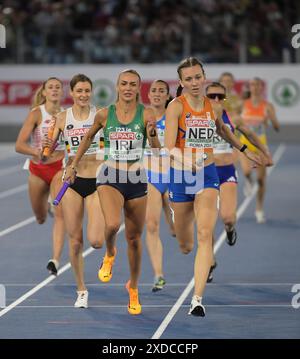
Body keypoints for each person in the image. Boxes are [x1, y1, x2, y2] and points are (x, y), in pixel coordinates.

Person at [164, 57, 262, 317]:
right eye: (189, 79)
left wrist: (244, 149)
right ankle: (178, 219)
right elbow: (169, 147)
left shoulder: (212, 107)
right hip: (181, 176)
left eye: (198, 77)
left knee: (206, 234)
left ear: (204, 77)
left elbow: (222, 131)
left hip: (207, 175)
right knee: (186, 244)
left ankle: (197, 299)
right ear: (182, 83)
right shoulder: (176, 107)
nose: (195, 83)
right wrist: (187, 160)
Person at [64, 69, 160, 315]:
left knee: (135, 239)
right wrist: (73, 165)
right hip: (110, 176)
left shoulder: (146, 113)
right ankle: (109, 253)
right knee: (112, 225)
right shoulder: (105, 114)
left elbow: (157, 150)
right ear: (117, 86)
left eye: (133, 84)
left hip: (137, 178)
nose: (128, 88)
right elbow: (86, 139)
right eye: (124, 84)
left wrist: (152, 135)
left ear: (139, 88)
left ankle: (134, 288)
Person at [206, 82, 273, 282]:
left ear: (224, 99)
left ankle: (230, 229)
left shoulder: (233, 118)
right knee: (205, 223)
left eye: (220, 96)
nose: (216, 100)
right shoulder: (196, 119)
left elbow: (251, 135)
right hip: (205, 174)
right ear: (205, 98)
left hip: (226, 172)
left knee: (227, 217)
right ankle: (209, 261)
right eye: (212, 96)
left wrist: (264, 153)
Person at [50, 74, 105, 308]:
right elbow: (49, 150)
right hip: (72, 182)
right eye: (79, 91)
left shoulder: (101, 115)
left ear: (91, 92)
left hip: (96, 182)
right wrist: (47, 143)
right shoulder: (62, 118)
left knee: (96, 241)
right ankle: (81, 289)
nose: (83, 95)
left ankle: (108, 254)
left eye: (87, 91)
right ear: (71, 93)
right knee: (75, 241)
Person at [15, 77, 65, 276]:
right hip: (38, 168)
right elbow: (19, 145)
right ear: (44, 92)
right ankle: (46, 209)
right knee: (40, 218)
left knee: (61, 214)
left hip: (59, 166)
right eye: (50, 87)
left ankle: (55, 260)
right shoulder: (37, 113)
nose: (54, 90)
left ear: (62, 92)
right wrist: (37, 151)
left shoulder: (66, 114)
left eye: (57, 87)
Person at [144, 80, 175, 292]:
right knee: (152, 225)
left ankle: (209, 258)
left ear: (167, 95)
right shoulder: (141, 116)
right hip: (150, 175)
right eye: (154, 90)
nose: (157, 94)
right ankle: (158, 274)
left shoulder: (174, 117)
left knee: (177, 231)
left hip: (174, 175)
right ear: (149, 95)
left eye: (161, 91)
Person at [239, 77, 280, 223]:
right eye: (252, 85)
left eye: (257, 85)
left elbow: (276, 127)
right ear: (249, 87)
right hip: (244, 145)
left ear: (261, 88)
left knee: (262, 181)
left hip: (260, 147)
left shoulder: (267, 106)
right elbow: (234, 122)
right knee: (246, 171)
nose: (255, 87)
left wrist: (270, 118)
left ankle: (259, 209)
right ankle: (248, 181)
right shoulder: (242, 104)